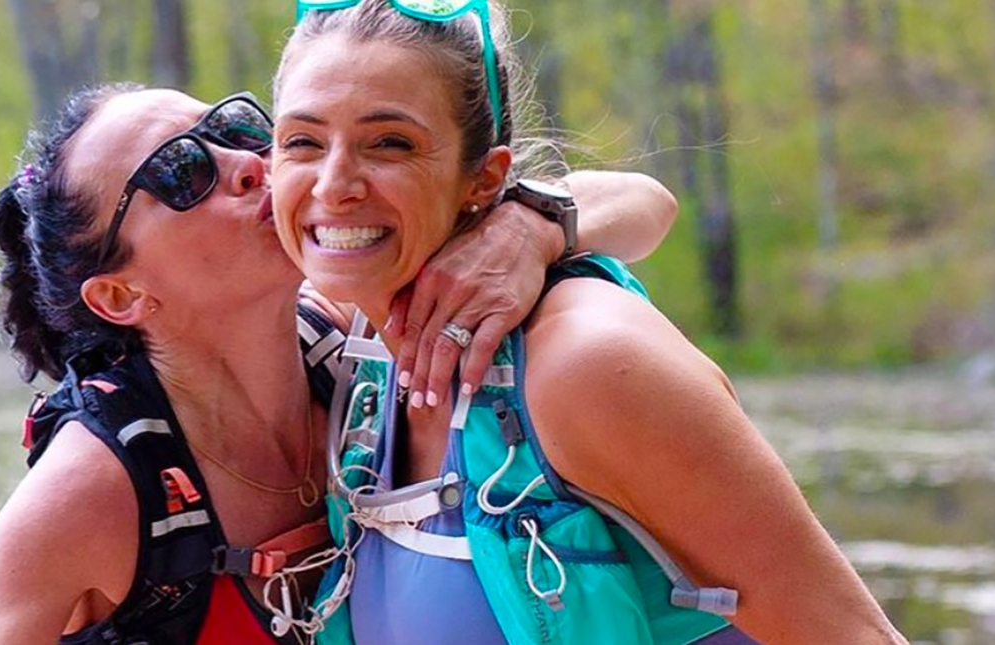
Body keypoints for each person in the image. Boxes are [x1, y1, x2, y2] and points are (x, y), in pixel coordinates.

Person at [0, 81, 680, 644]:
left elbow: (647, 205)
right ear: (120, 293)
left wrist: (528, 226)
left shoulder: (358, 325)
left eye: (236, 129)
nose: (247, 165)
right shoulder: (95, 488)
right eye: (181, 172)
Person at [267, 1, 908, 644]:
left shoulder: (587, 364)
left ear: (485, 180)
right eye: (303, 141)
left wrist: (535, 220)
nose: (333, 184)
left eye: (390, 143)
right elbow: (643, 200)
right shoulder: (359, 356)